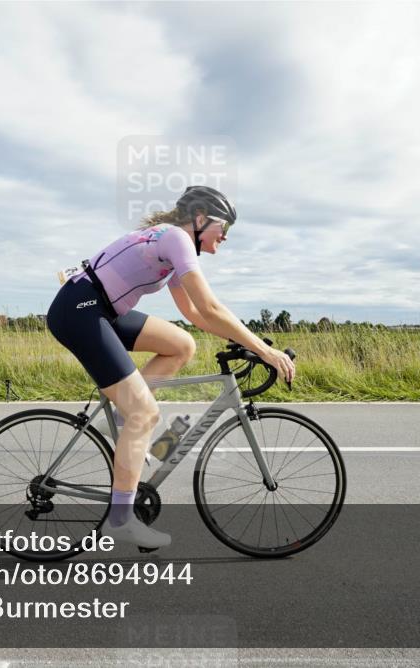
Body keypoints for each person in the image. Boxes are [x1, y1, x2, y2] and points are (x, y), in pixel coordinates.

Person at [46, 186, 296, 549]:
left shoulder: (176, 244)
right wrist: (265, 350)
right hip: (79, 310)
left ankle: (122, 417)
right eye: (223, 228)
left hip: (100, 308)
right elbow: (210, 308)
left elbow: (195, 316)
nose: (225, 237)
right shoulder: (177, 237)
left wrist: (248, 343)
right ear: (199, 220)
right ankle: (120, 520)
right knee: (144, 413)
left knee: (181, 344)